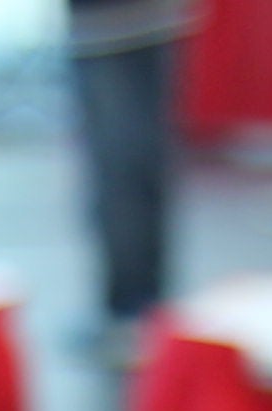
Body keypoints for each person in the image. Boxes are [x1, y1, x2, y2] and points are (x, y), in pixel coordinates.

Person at [72, 0, 192, 341]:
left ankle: (133, 308)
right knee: (138, 155)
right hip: (147, 17)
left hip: (111, 20)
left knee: (121, 162)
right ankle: (144, 306)